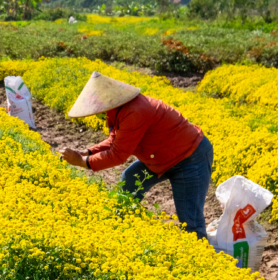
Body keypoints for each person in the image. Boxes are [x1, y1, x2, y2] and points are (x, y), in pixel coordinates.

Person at [59, 71, 213, 241]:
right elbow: (115, 139)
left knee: (190, 219)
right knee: (130, 179)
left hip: (189, 158)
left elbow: (117, 155)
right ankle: (121, 227)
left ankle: (201, 251)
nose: (97, 113)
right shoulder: (118, 111)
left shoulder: (134, 111)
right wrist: (88, 152)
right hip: (160, 157)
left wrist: (82, 162)